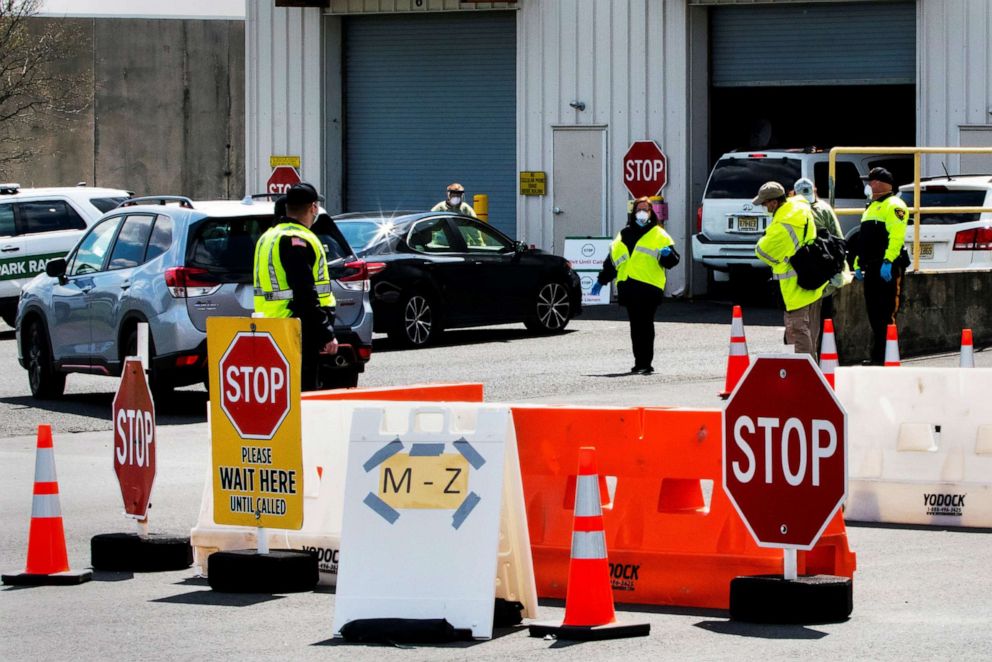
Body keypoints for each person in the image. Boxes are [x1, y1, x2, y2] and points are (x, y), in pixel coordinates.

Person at [254, 182, 338, 391]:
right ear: (313, 207)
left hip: (269, 328)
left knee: (282, 394)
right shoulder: (297, 239)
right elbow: (305, 291)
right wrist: (325, 331)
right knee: (303, 394)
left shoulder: (268, 237)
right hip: (297, 329)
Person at [592, 196, 679, 375]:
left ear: (650, 212)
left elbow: (672, 261)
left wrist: (667, 254)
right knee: (635, 326)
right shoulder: (624, 234)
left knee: (645, 324)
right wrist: (602, 280)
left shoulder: (659, 234)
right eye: (639, 209)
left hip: (649, 286)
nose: (642, 212)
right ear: (633, 213)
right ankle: (639, 362)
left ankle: (645, 363)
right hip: (629, 287)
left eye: (646, 209)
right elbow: (613, 261)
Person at [753, 181, 825, 357]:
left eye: (764, 203)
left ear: (774, 202)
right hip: (812, 282)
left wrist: (769, 240)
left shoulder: (780, 227)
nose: (764, 207)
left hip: (794, 288)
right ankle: (812, 374)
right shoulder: (800, 209)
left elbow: (761, 252)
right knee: (811, 332)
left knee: (797, 334)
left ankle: (805, 376)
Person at [852, 166, 910, 365]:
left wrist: (888, 261)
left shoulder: (895, 205)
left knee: (887, 313)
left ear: (881, 183)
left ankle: (888, 357)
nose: (869, 185)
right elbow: (865, 238)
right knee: (874, 313)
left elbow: (896, 236)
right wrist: (858, 262)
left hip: (888, 267)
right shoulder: (871, 207)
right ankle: (878, 357)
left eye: (872, 181)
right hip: (871, 267)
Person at [793, 177, 851, 341]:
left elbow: (838, 239)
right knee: (814, 319)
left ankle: (819, 356)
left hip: (815, 270)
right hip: (809, 270)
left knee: (816, 318)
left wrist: (838, 268)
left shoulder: (817, 210)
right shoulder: (817, 209)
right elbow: (838, 238)